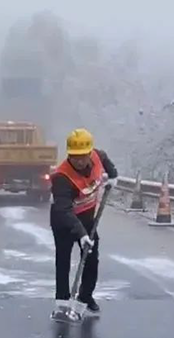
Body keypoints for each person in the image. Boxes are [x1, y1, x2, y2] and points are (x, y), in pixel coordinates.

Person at [49, 128, 118, 313]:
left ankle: (85, 297)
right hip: (64, 221)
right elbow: (64, 209)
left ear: (89, 153)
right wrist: (81, 234)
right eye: (74, 156)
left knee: (90, 258)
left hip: (87, 217)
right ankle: (62, 303)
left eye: (82, 156)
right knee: (63, 260)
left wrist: (113, 176)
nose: (79, 161)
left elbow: (107, 163)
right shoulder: (61, 177)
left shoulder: (97, 156)